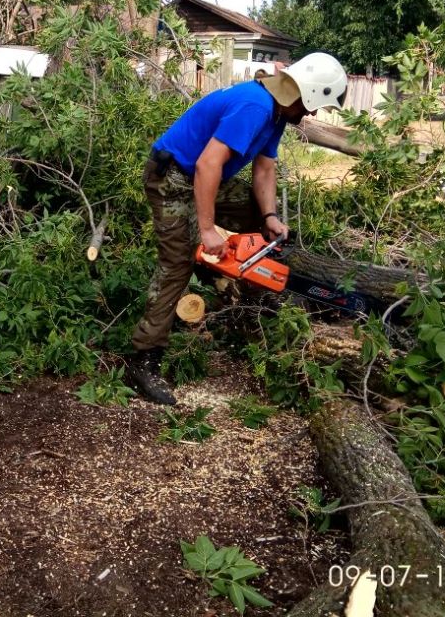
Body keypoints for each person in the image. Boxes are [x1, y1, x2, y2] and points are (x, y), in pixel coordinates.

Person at [125, 52, 348, 405]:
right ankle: (142, 358)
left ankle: (241, 287)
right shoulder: (256, 105)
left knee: (255, 213)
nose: (312, 115)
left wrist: (270, 217)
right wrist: (208, 227)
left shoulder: (275, 114)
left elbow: (264, 170)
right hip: (172, 179)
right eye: (312, 106)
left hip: (196, 176)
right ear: (303, 95)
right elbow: (207, 164)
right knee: (176, 265)